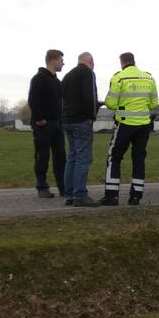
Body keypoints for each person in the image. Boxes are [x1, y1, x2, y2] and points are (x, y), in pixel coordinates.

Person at [100, 52, 159, 206]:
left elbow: (111, 103)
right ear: (134, 61)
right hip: (143, 126)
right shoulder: (149, 78)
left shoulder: (119, 78)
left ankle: (112, 196)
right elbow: (153, 104)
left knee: (114, 158)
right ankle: (136, 197)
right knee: (139, 159)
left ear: (122, 62)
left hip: (125, 125)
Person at [61, 52, 100, 207]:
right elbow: (89, 97)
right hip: (81, 120)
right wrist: (92, 115)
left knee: (72, 156)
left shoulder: (68, 75)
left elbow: (63, 98)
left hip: (67, 119)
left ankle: (69, 194)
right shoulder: (88, 73)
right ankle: (80, 194)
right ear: (90, 61)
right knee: (83, 157)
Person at [27, 49, 66, 198]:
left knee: (60, 156)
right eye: (61, 60)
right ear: (53, 60)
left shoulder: (57, 81)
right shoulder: (38, 78)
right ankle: (42, 187)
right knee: (42, 156)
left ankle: (63, 187)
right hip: (43, 125)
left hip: (57, 124)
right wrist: (39, 119)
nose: (63, 63)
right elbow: (32, 100)